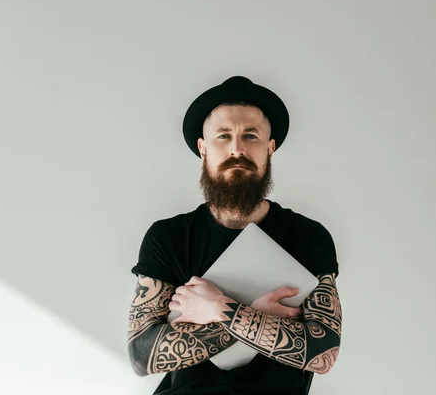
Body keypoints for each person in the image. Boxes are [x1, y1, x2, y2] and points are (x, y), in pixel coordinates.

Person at [127, 76, 342, 395]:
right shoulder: (169, 237)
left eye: (251, 136)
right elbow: (142, 355)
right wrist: (257, 319)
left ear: (270, 148)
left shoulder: (309, 237)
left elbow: (323, 354)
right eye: (223, 136)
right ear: (203, 148)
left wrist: (220, 309)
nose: (237, 148)